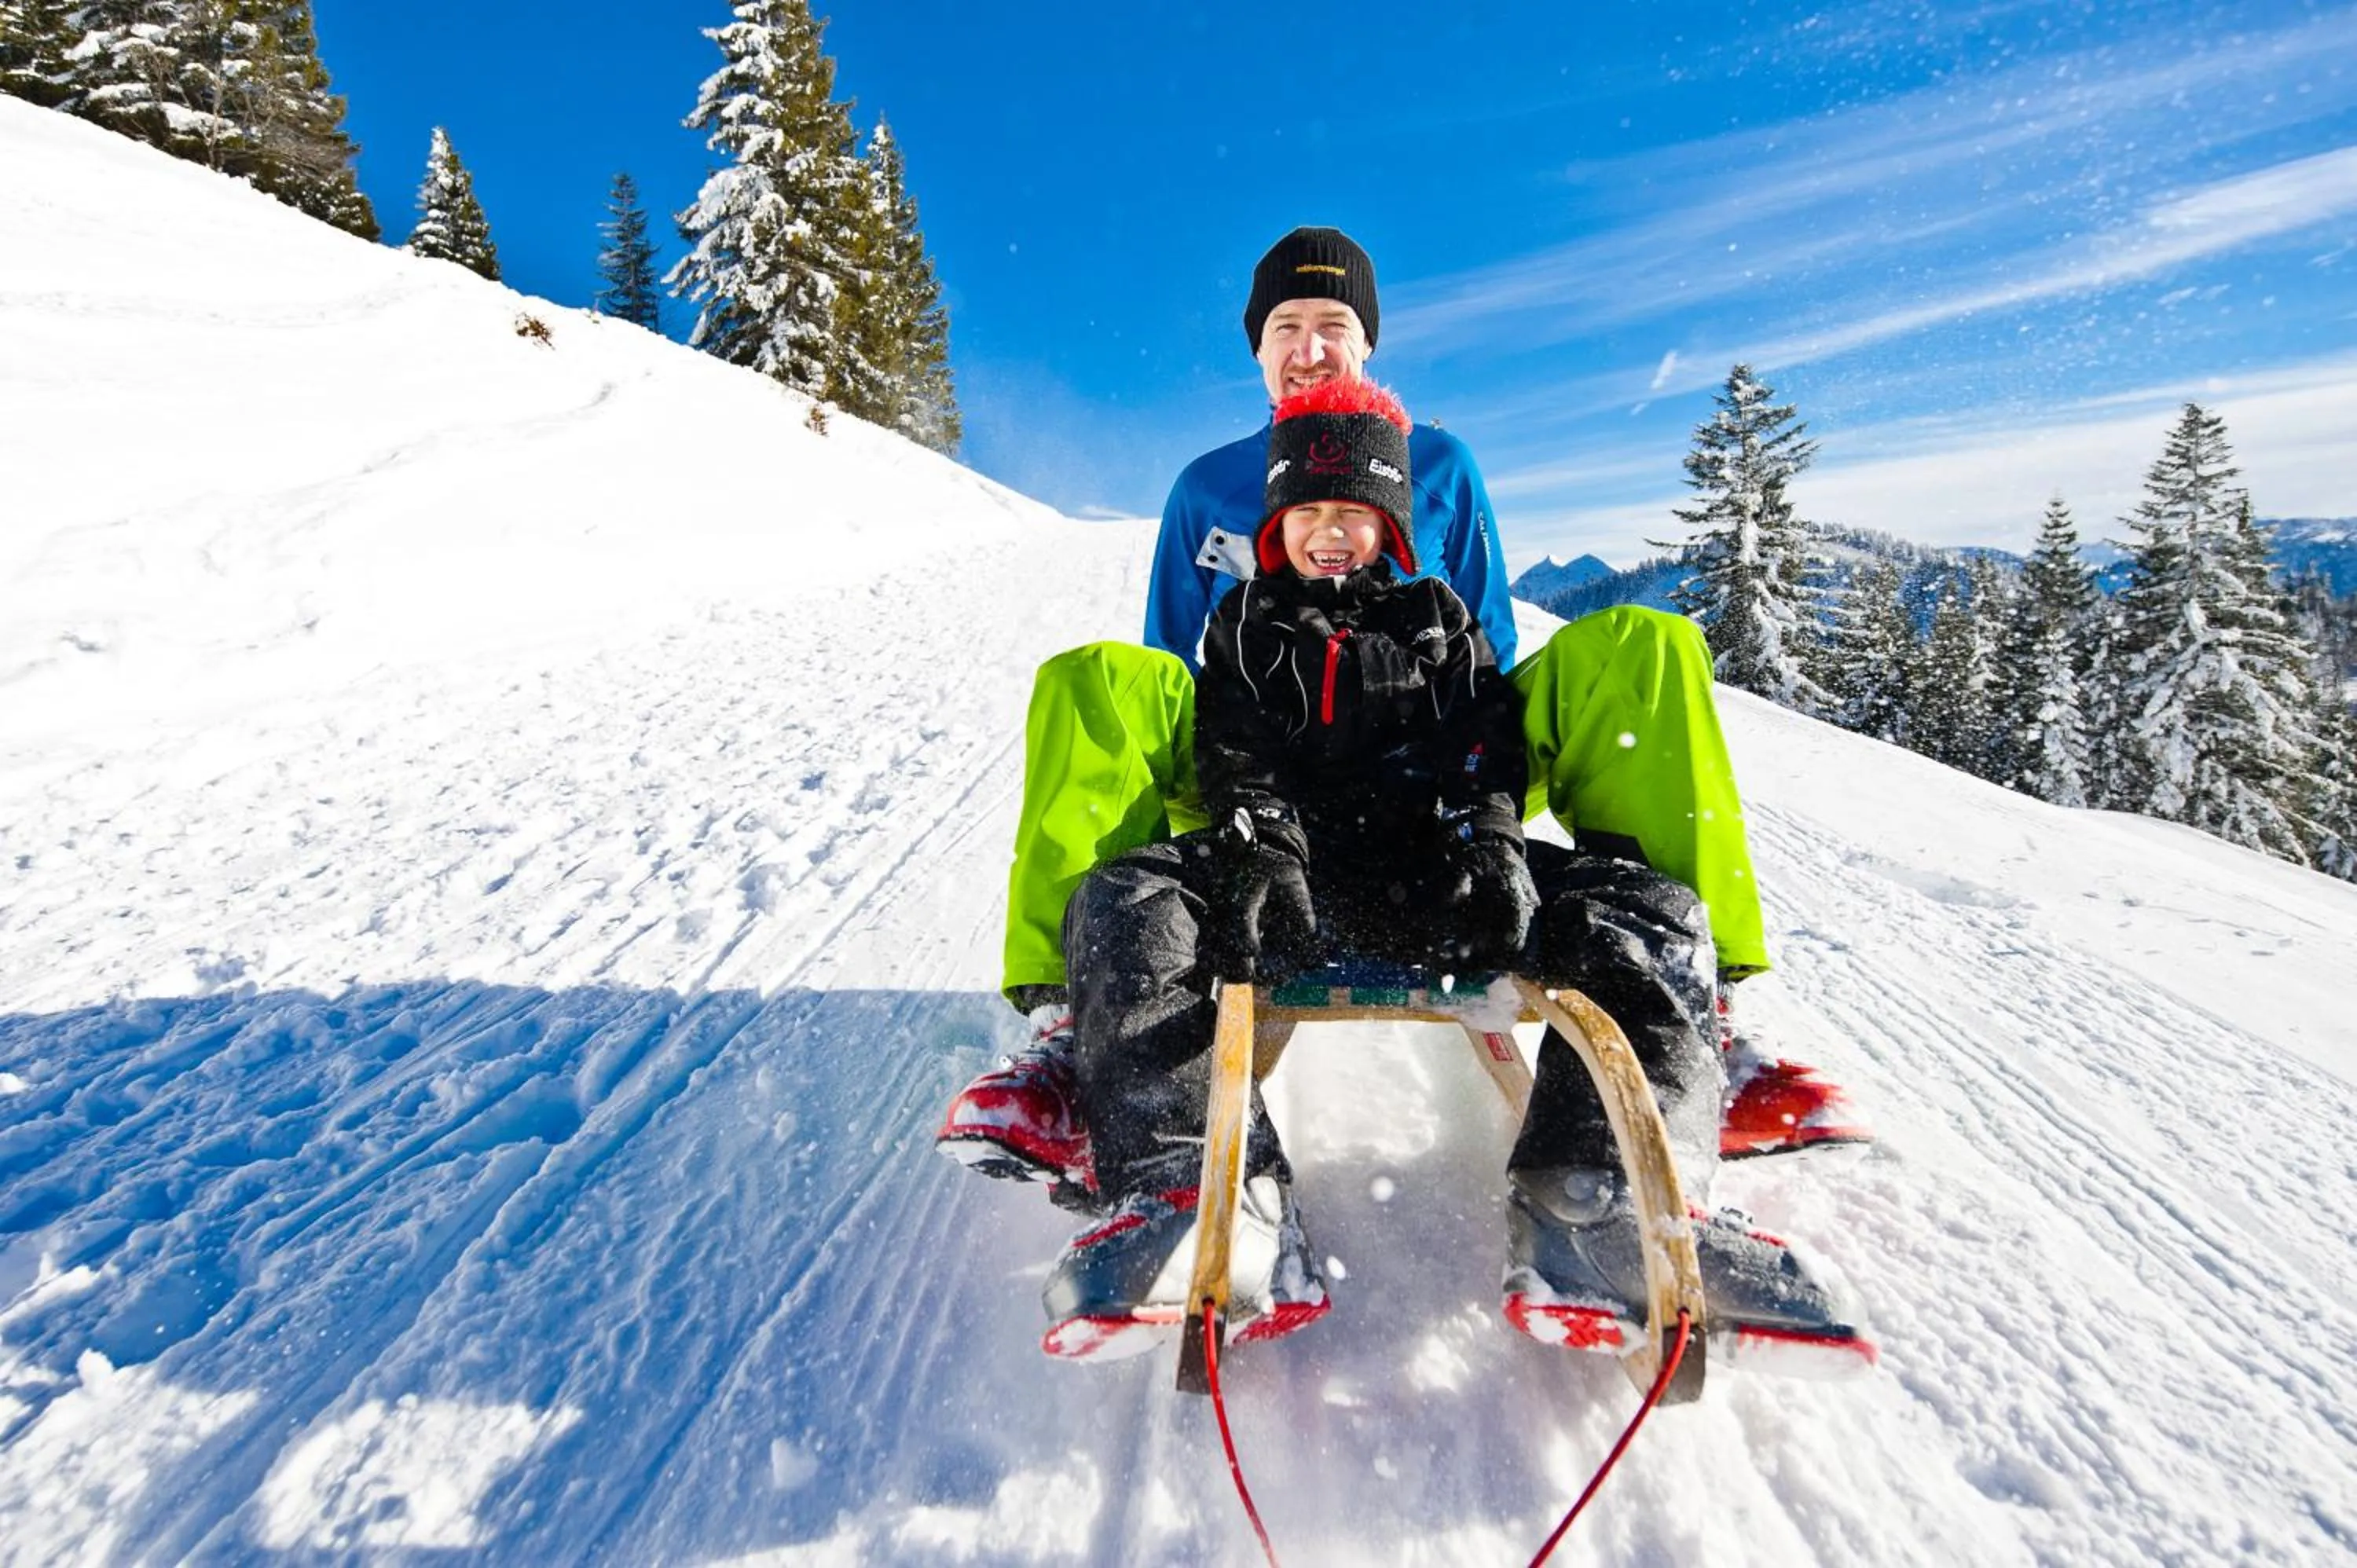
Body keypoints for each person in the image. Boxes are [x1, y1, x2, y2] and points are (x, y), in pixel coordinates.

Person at [936, 226, 1865, 1204]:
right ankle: (1068, 1039)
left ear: (1368, 341)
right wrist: (1251, 811)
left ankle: (1698, 1015)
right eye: (1285, 327)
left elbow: (1488, 651)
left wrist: (1477, 813)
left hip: (1438, 760)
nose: (1309, 347)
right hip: (1258, 767)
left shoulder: (1442, 465)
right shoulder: (1206, 487)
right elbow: (1170, 671)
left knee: (1646, 642)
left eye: (1331, 324)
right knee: (1100, 677)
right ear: (1256, 347)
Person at [1036, 381, 1868, 1365]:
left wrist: (1489, 842)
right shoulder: (1246, 623)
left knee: (1643, 905)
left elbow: (1482, 742)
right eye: (1308, 511)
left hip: (1430, 879)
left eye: (1355, 512)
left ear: (1392, 524)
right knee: (1127, 897)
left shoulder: (1437, 617)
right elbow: (1232, 748)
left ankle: (1596, 1202)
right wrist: (1263, 840)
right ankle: (1193, 1193)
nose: (1331, 532)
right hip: (1282, 887)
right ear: (1276, 525)